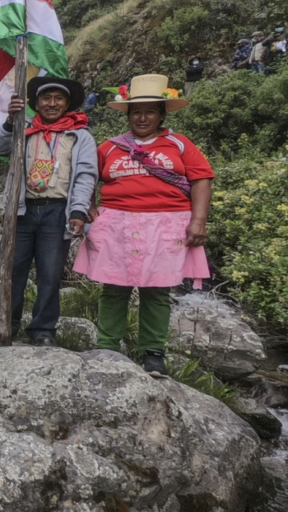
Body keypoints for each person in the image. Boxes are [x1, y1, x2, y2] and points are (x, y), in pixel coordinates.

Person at [74, 74, 214, 378]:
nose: (142, 117)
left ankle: (153, 354)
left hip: (166, 225)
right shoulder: (110, 147)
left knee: (157, 291)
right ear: (127, 114)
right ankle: (107, 346)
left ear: (162, 114)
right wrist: (89, 206)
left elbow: (201, 179)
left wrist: (198, 221)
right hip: (117, 223)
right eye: (136, 111)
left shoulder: (179, 144)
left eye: (150, 111)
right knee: (113, 287)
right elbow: (86, 177)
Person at [0, 77, 98, 347]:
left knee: (50, 273)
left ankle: (43, 329)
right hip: (22, 212)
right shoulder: (23, 129)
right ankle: (5, 324)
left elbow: (85, 174)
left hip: (57, 212)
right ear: (36, 103)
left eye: (58, 98)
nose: (51, 103)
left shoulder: (80, 136)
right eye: (45, 98)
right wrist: (11, 121)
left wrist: (79, 210)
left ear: (67, 103)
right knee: (12, 271)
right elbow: (0, 148)